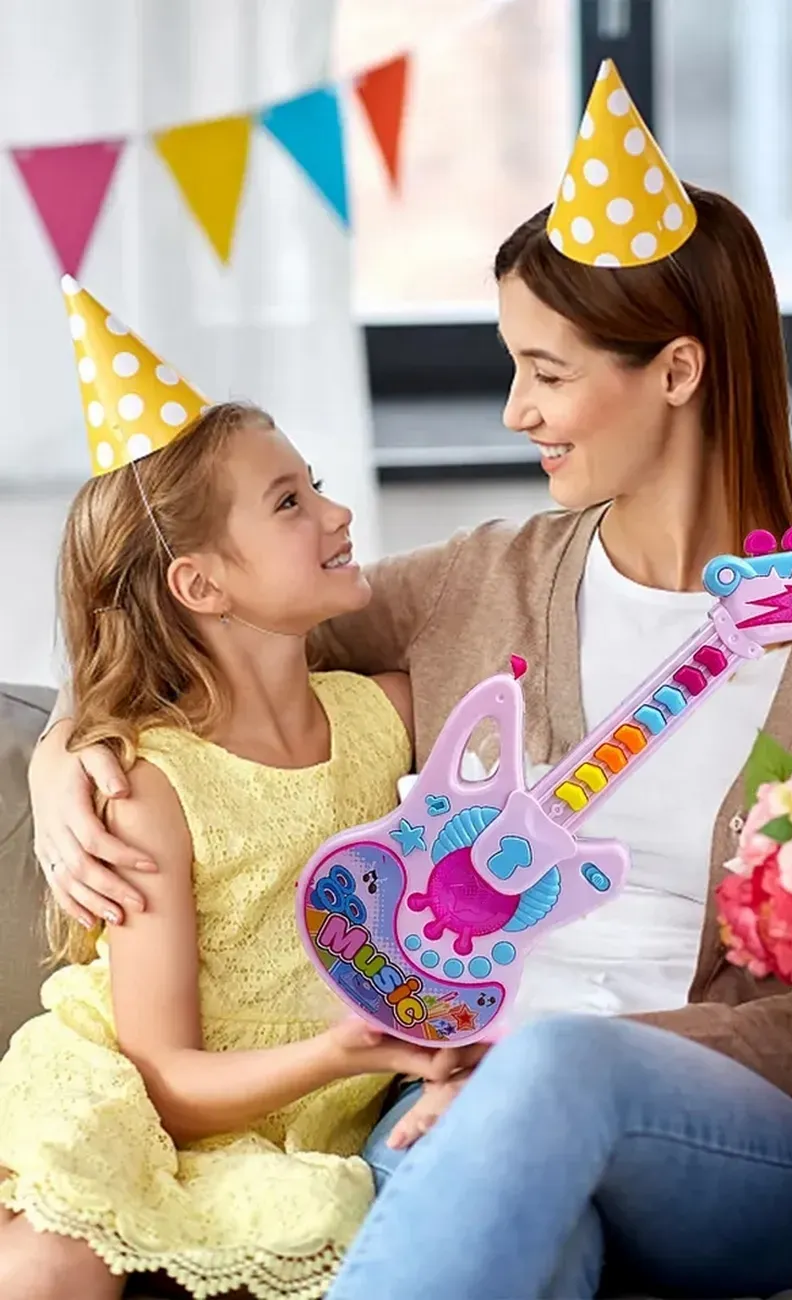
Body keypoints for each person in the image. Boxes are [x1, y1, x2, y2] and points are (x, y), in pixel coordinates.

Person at [30, 63, 792, 1300]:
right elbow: (200, 638)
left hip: (754, 1144)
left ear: (676, 373)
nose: (516, 408)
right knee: (523, 1218)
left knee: (551, 1078)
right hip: (464, 1115)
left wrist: (534, 1054)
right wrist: (60, 751)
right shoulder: (480, 582)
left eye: (548, 370)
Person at [0, 283, 457, 1300]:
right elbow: (163, 1079)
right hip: (142, 1103)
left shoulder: (392, 715)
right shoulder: (152, 788)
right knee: (54, 1250)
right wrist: (337, 1048)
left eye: (316, 485)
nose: (339, 514)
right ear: (201, 585)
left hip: (304, 1133)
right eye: (290, 501)